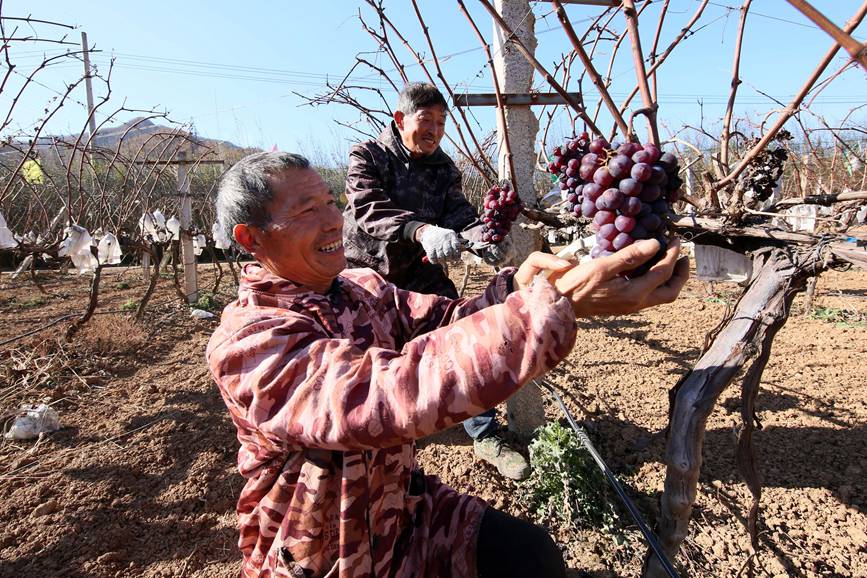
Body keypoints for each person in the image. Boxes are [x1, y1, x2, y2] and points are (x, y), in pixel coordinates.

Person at [207, 151, 689, 578]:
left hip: (400, 513)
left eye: (330, 202)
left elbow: (447, 323)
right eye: (308, 210)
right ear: (251, 238)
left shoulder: (362, 288)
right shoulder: (248, 342)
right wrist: (547, 310)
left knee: (529, 555)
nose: (334, 220)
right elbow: (383, 397)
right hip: (321, 551)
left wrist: (516, 290)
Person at [342, 82, 527, 480]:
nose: (435, 131)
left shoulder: (444, 168)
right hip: (365, 272)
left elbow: (459, 213)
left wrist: (484, 239)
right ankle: (374, 435)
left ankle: (484, 431)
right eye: (427, 121)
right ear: (399, 119)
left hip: (421, 268)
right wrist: (421, 230)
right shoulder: (368, 156)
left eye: (442, 123)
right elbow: (369, 208)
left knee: (459, 336)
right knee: (367, 354)